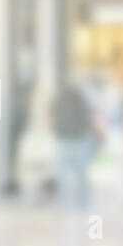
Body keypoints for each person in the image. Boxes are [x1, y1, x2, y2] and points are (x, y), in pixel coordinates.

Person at [51, 77, 100, 210]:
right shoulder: (84, 99)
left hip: (64, 140)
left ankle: (65, 204)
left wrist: (56, 132)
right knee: (82, 175)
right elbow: (93, 118)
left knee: (64, 177)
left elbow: (51, 119)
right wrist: (99, 134)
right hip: (81, 140)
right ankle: (85, 204)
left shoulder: (59, 99)